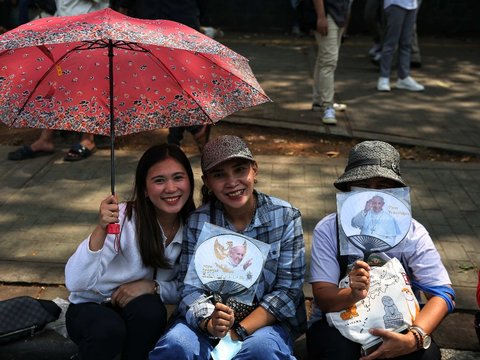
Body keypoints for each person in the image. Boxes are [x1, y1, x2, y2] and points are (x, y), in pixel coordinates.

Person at [149, 135, 307, 360]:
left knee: (262, 352)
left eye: (240, 170)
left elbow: (288, 290)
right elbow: (190, 287)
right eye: (219, 175)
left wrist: (237, 331)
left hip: (265, 323)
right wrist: (208, 321)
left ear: (255, 169)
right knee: (176, 345)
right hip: (208, 319)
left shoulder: (285, 216)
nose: (232, 182)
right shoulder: (198, 220)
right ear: (207, 182)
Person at [307, 140, 455, 359]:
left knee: (428, 356)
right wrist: (352, 293)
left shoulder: (412, 231)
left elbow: (443, 294)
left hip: (400, 322)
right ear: (348, 189)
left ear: (395, 193)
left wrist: (414, 338)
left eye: (383, 188)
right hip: (338, 322)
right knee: (338, 351)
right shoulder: (329, 228)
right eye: (362, 186)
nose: (372, 195)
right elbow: (323, 298)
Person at [65, 143, 196, 360]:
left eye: (178, 177)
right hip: (91, 306)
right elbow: (76, 282)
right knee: (108, 329)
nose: (171, 188)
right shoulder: (123, 218)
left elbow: (189, 288)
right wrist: (101, 229)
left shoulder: (193, 225)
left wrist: (153, 287)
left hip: (137, 308)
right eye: (159, 180)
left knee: (152, 312)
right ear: (144, 188)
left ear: (190, 182)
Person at [7, 0, 109, 162]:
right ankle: (45, 139)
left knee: (87, 85)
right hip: (60, 30)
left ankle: (87, 139)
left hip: (89, 31)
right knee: (54, 86)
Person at [117, 0, 211, 151]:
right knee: (168, 84)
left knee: (173, 84)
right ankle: (187, 132)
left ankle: (182, 136)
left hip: (173, 25)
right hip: (155, 26)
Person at [309, 0, 350, 125]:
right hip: (328, 15)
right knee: (329, 62)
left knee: (324, 59)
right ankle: (327, 105)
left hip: (339, 15)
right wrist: (321, 16)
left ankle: (319, 100)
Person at [377, 0, 424, 92]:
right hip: (395, 4)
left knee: (406, 43)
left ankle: (403, 77)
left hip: (412, 5)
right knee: (391, 43)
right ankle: (384, 78)